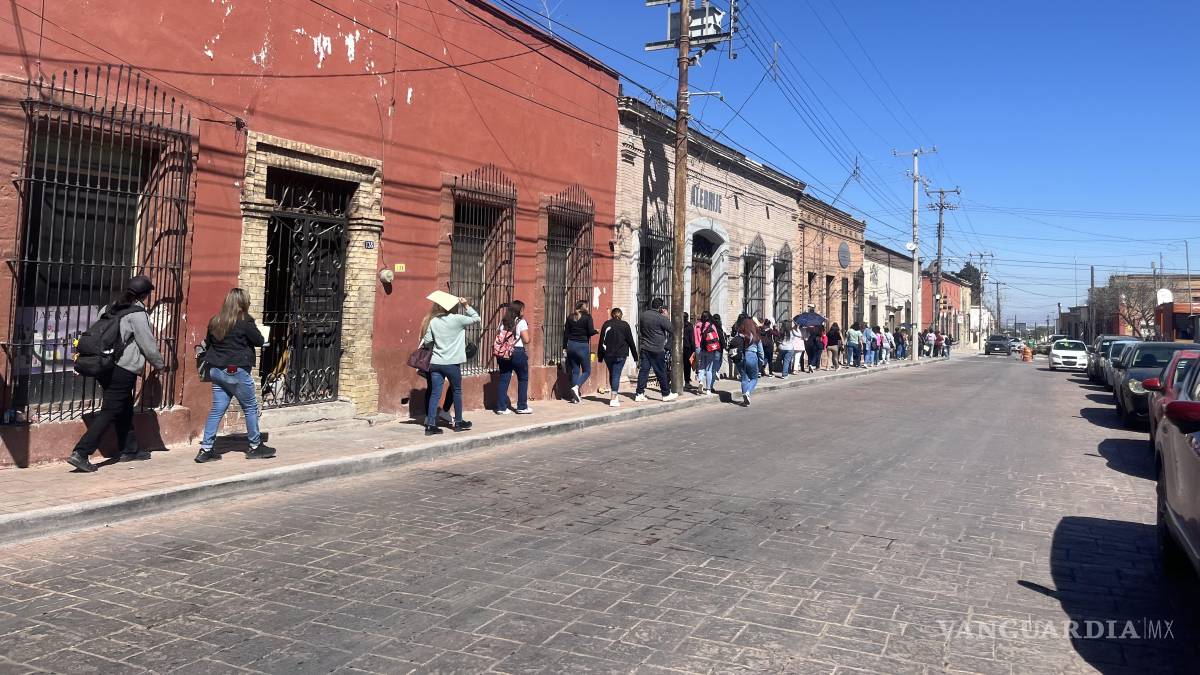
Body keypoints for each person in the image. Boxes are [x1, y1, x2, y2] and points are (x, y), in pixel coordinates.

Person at [67, 275, 168, 473]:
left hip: (104, 366)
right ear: (145, 295)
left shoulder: (109, 308)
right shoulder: (138, 314)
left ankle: (129, 449)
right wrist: (160, 365)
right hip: (123, 368)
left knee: (124, 407)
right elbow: (147, 344)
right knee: (111, 410)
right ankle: (81, 452)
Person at [195, 288, 276, 464]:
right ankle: (255, 446)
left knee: (217, 409)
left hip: (216, 370)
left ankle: (206, 449)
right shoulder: (245, 321)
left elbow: (208, 343)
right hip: (236, 370)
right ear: (242, 303)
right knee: (250, 407)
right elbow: (259, 341)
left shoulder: (215, 321)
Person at [421, 296, 479, 436]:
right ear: (454, 307)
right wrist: (466, 305)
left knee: (435, 393)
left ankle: (430, 425)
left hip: (436, 362)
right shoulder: (458, 319)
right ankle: (458, 422)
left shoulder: (434, 321)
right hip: (452, 363)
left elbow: (428, 340)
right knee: (457, 391)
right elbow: (476, 318)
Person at [635, 298, 678, 402]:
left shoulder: (643, 315)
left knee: (644, 371)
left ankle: (639, 393)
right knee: (661, 371)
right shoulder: (661, 317)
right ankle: (666, 394)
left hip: (645, 347)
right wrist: (666, 316)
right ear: (660, 308)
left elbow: (640, 330)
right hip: (657, 349)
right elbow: (672, 329)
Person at [494, 300, 532, 415]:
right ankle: (522, 406)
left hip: (503, 353)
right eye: (522, 309)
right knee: (523, 378)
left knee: (504, 379)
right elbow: (526, 340)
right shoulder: (521, 322)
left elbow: (498, 334)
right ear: (519, 310)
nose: (523, 311)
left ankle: (501, 407)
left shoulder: (503, 321)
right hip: (517, 352)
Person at [598, 308, 638, 407]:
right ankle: (613, 398)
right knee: (616, 375)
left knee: (613, 374)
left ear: (612, 314)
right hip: (620, 354)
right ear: (621, 315)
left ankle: (614, 396)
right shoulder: (625, 325)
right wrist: (635, 357)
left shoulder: (606, 324)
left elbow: (601, 340)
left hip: (608, 355)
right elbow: (631, 342)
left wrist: (600, 356)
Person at [562, 301, 597, 403]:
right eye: (587, 305)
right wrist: (596, 331)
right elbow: (590, 331)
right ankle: (576, 387)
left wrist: (564, 347)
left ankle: (574, 397)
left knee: (575, 371)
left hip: (571, 345)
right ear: (584, 307)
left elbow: (566, 333)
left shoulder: (570, 317)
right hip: (582, 346)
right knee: (587, 371)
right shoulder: (587, 317)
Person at [735, 316, 765, 407]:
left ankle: (745, 398)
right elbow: (760, 352)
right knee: (754, 378)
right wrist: (761, 362)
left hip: (740, 357)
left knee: (744, 378)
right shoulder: (756, 335)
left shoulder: (739, 333)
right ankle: (747, 392)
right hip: (752, 356)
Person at [694, 311, 722, 394]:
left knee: (701, 367)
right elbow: (717, 338)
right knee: (709, 369)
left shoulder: (697, 326)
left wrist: (697, 347)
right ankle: (708, 389)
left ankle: (700, 382)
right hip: (710, 349)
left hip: (699, 349)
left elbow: (695, 339)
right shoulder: (711, 325)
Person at [682, 312, 696, 391]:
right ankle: (687, 381)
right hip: (688, 348)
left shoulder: (678, 325)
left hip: (680, 347)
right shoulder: (690, 326)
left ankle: (684, 381)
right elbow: (692, 339)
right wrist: (693, 349)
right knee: (687, 366)